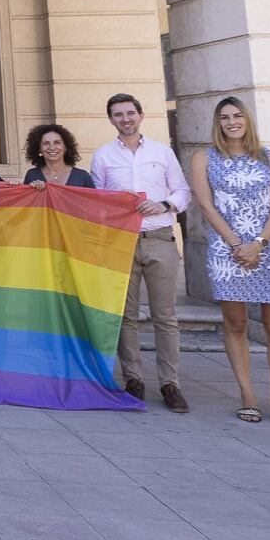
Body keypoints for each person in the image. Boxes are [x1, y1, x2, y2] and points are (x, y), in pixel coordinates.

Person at [187, 97, 270, 426]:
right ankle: (248, 395)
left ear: (247, 119)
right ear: (217, 123)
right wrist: (238, 245)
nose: (231, 122)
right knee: (235, 325)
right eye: (224, 117)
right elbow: (206, 206)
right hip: (227, 250)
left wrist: (259, 243)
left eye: (237, 116)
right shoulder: (203, 158)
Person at [91, 93, 191, 413]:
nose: (125, 119)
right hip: (122, 241)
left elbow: (182, 191)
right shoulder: (103, 156)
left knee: (165, 316)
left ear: (141, 115)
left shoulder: (162, 153)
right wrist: (117, 202)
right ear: (111, 120)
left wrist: (164, 204)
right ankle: (134, 378)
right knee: (126, 317)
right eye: (118, 115)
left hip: (159, 237)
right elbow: (97, 200)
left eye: (130, 113)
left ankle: (170, 383)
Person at [21, 125, 95, 188]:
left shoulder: (82, 176)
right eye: (46, 143)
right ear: (39, 149)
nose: (52, 147)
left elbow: (94, 202)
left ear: (66, 147)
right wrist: (31, 189)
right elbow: (27, 202)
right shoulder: (32, 175)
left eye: (57, 143)